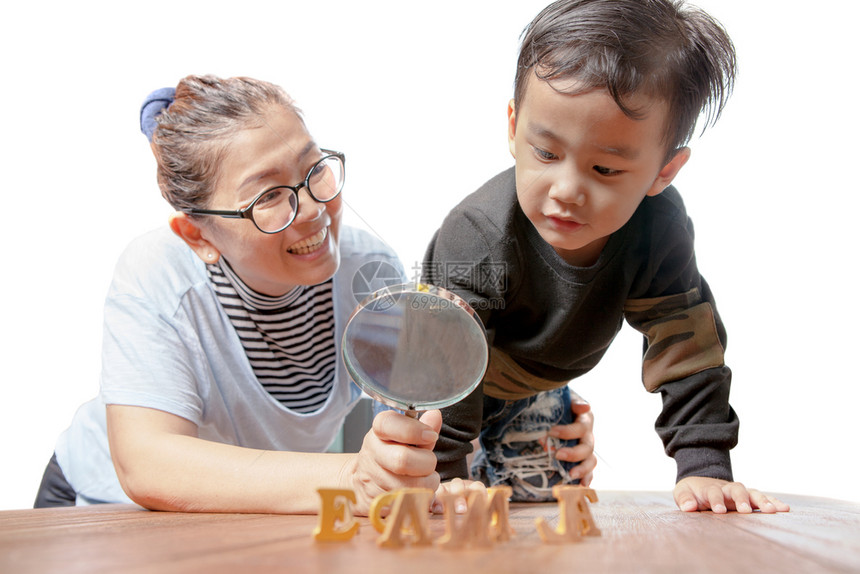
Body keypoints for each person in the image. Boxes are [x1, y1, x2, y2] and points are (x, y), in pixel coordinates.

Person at [35, 75, 595, 515]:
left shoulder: (366, 268)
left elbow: (404, 424)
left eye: (314, 171)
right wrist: (354, 477)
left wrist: (529, 437)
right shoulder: (156, 272)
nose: (312, 211)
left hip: (258, 511)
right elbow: (148, 466)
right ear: (199, 235)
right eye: (270, 197)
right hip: (102, 504)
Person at [424, 0, 790, 513]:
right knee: (420, 497)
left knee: (537, 500)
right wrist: (443, 470)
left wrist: (704, 466)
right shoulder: (477, 234)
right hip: (429, 376)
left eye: (605, 170)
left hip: (531, 387)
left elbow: (685, 344)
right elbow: (442, 360)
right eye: (547, 154)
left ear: (664, 171)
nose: (567, 190)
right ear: (513, 126)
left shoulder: (658, 229)